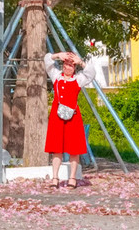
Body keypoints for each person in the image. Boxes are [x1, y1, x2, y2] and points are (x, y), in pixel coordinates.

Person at [43, 49, 104, 189]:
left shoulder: (78, 79)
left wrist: (81, 62)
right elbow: (47, 62)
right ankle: (55, 178)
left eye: (71, 65)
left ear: (74, 67)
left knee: (74, 149)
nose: (67, 67)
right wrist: (58, 55)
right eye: (65, 64)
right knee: (56, 149)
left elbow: (91, 73)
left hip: (73, 118)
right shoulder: (56, 76)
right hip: (57, 117)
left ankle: (72, 178)